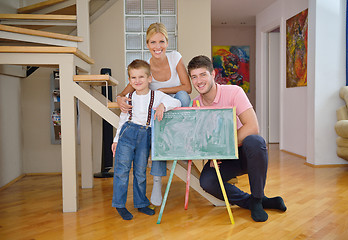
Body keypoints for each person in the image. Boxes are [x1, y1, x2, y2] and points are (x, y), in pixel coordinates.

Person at [187, 55, 286, 222]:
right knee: (207, 181)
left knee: (255, 141)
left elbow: (252, 127)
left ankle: (257, 198)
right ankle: (256, 201)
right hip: (224, 158)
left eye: (203, 74)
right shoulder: (194, 105)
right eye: (194, 77)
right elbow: (203, 140)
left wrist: (221, 148)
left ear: (213, 74)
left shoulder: (234, 92)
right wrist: (212, 152)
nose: (199, 81)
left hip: (245, 152)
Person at [117, 22, 192, 207]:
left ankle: (180, 139)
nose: (157, 46)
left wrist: (163, 92)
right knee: (159, 133)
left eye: (161, 41)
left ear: (167, 42)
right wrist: (119, 98)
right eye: (152, 42)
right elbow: (129, 89)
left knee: (181, 95)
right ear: (147, 44)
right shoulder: (146, 66)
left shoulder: (175, 57)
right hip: (159, 113)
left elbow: (187, 88)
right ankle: (157, 183)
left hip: (174, 106)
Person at [111, 59, 181, 220]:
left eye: (141, 77)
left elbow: (176, 101)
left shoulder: (157, 96)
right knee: (122, 172)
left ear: (149, 78)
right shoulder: (127, 97)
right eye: (133, 78)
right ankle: (120, 205)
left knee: (140, 172)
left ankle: (141, 203)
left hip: (145, 136)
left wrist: (163, 106)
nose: (137, 81)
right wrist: (116, 139)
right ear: (129, 80)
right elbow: (122, 120)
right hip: (127, 135)